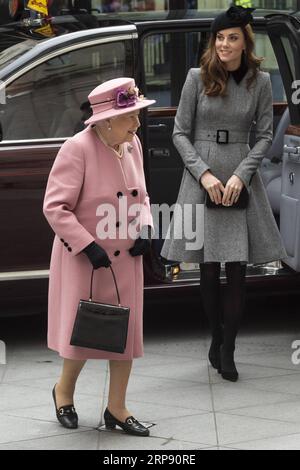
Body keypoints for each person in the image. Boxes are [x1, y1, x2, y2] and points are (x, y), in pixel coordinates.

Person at [161, 6, 288, 382]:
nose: (224, 44)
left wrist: (241, 176)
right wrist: (204, 175)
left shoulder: (260, 81)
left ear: (245, 42)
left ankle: (229, 346)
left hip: (240, 174)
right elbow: (179, 132)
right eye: (219, 38)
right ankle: (215, 336)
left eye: (232, 37)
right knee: (207, 266)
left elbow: (265, 135)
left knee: (236, 269)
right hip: (201, 175)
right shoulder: (196, 77)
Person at [43, 77, 155, 435]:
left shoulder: (131, 144)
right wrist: (87, 244)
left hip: (126, 261)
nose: (137, 123)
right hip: (86, 260)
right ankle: (64, 392)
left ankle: (117, 408)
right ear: (106, 120)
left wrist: (146, 228)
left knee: (125, 335)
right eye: (131, 116)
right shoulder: (77, 149)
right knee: (83, 335)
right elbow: (55, 208)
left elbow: (144, 196)